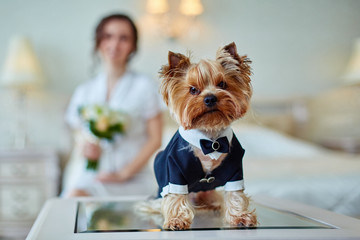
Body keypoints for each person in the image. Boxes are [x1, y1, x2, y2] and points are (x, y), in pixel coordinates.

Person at [62, 13, 163, 197]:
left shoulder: (145, 86)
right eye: (108, 36)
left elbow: (155, 139)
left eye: (123, 38)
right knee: (71, 197)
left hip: (134, 179)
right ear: (99, 42)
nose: (115, 45)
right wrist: (85, 146)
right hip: (93, 175)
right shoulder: (84, 91)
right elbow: (78, 131)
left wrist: (123, 174)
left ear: (133, 46)